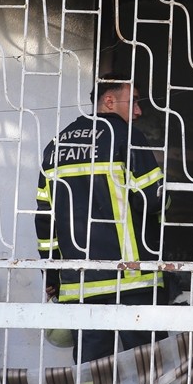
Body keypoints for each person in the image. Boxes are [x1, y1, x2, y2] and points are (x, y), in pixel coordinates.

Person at [35, 74, 167, 363]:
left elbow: (45, 220)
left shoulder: (56, 145)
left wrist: (53, 274)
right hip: (132, 278)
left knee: (92, 373)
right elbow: (153, 199)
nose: (138, 110)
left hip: (80, 283)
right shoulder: (126, 137)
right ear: (109, 100)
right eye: (133, 101)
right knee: (149, 368)